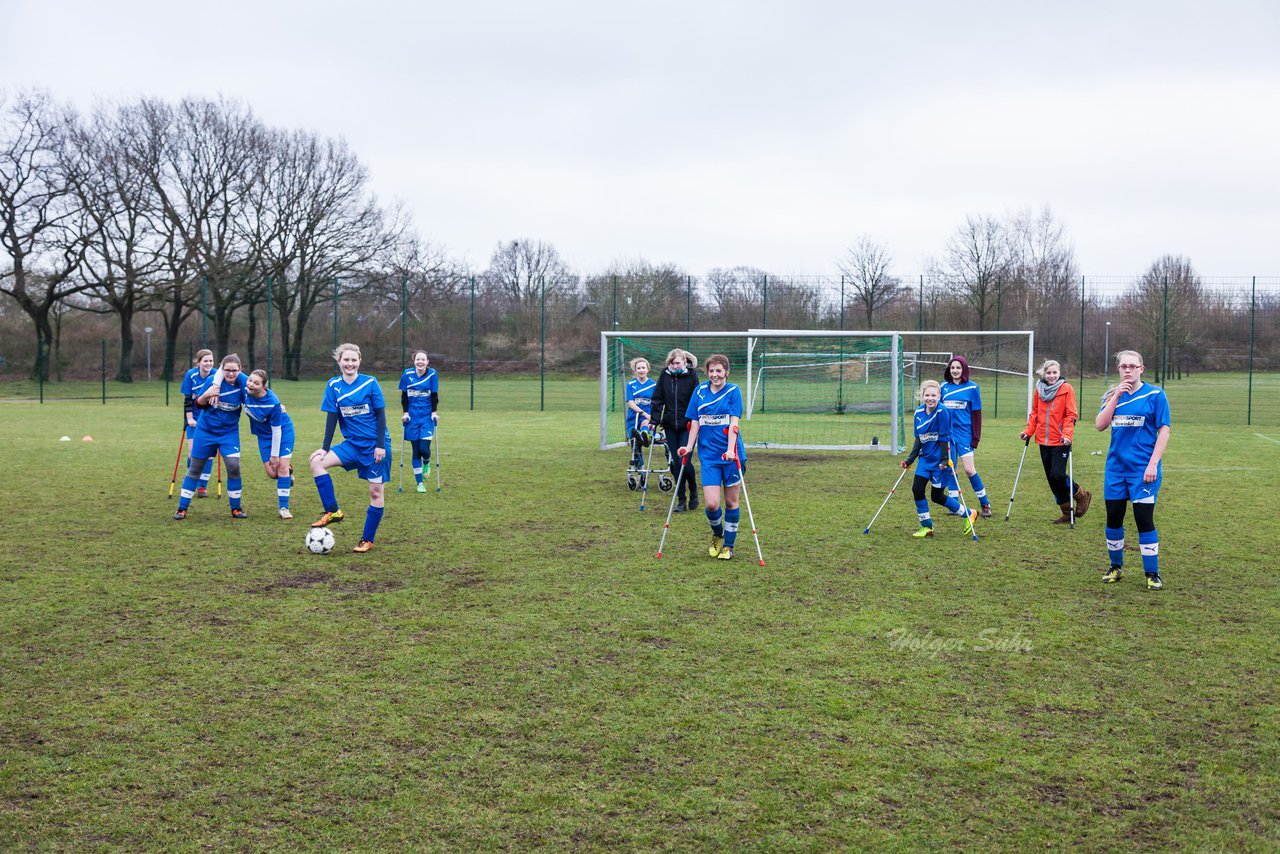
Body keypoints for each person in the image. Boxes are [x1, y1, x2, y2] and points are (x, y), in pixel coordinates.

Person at [1095, 350, 1171, 590]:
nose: (1127, 370)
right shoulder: (1113, 395)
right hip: (1116, 470)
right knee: (1113, 519)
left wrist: (1152, 464)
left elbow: (1164, 430)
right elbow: (1100, 425)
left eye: (1132, 366)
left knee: (1143, 520)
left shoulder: (1156, 395)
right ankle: (1115, 567)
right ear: (1118, 369)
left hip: (1142, 471)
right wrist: (1115, 395)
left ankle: (1152, 573)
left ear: (1141, 368)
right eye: (1123, 366)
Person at [310, 343, 392, 553]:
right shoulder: (333, 385)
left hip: (375, 445)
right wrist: (325, 447)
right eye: (346, 360)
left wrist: (380, 445)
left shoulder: (370, 383)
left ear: (359, 361)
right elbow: (332, 417)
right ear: (339, 362)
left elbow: (381, 415)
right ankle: (333, 511)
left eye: (354, 360)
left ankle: (367, 539)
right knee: (317, 463)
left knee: (375, 492)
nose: (350, 363)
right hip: (352, 445)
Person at [677, 354, 746, 560]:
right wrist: (688, 446)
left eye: (719, 370)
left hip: (732, 456)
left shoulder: (733, 391)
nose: (715, 374)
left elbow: (734, 423)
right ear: (707, 372)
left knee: (731, 501)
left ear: (726, 372)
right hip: (708, 456)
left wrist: (731, 450)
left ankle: (729, 545)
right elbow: (695, 422)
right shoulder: (699, 392)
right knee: (712, 504)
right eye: (712, 371)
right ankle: (717, 535)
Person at [173, 354, 249, 520]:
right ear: (222, 369)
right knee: (195, 467)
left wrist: (277, 407)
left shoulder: (244, 382)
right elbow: (198, 404)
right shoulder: (213, 381)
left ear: (240, 370)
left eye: (234, 371)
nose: (230, 374)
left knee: (233, 467)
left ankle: (236, 508)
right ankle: (181, 508)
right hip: (205, 430)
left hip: (229, 433)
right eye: (227, 370)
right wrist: (207, 394)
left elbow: (260, 392)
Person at [901, 379, 976, 537]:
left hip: (942, 459)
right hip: (925, 459)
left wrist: (944, 461)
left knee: (937, 496)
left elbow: (944, 438)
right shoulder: (918, 413)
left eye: (934, 395)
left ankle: (968, 513)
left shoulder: (942, 412)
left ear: (939, 396)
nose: (930, 398)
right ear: (922, 396)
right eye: (927, 395)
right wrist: (910, 460)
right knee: (917, 489)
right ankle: (927, 527)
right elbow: (918, 439)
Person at [1020, 359, 1092, 523]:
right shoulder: (1039, 390)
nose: (1052, 376)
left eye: (1055, 372)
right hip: (1043, 441)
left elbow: (1071, 414)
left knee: (1058, 475)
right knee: (1052, 480)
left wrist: (1067, 434)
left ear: (1059, 373)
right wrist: (1027, 431)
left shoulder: (1066, 389)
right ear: (1043, 374)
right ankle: (1067, 512)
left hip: (1061, 440)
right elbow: (1035, 414)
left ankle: (1081, 495)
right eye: (1049, 373)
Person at [646, 349, 700, 512]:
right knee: (675, 464)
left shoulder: (691, 375)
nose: (674, 366)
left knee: (684, 461)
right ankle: (681, 499)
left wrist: (697, 420)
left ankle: (693, 490)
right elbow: (657, 398)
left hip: (687, 426)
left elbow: (697, 399)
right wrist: (654, 421)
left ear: (684, 362)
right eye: (672, 363)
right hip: (670, 425)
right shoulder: (664, 375)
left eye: (677, 363)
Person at [940, 355, 993, 517]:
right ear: (949, 369)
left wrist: (975, 437)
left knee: (969, 470)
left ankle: (985, 504)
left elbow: (977, 415)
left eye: (958, 368)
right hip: (948, 436)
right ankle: (954, 505)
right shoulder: (943, 387)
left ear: (964, 370)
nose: (955, 370)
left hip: (965, 435)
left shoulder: (972, 388)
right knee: (951, 469)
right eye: (952, 368)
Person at [244, 369, 296, 520]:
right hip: (264, 437)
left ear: (264, 386)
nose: (251, 384)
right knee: (272, 474)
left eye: (256, 383)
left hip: (283, 432)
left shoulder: (272, 403)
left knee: (281, 467)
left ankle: (284, 508)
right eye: (250, 380)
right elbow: (227, 370)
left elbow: (277, 432)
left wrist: (275, 456)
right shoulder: (245, 389)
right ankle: (288, 473)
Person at [398, 350, 439, 494]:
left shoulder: (432, 374)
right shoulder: (407, 374)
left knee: (424, 449)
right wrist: (405, 413)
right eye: (418, 359)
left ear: (427, 362)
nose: (420, 362)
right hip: (412, 418)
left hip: (426, 417)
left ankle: (427, 462)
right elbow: (404, 396)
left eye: (423, 359)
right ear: (414, 361)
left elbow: (434, 395)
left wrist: (434, 413)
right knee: (416, 451)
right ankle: (419, 483)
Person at [179, 349, 217, 497]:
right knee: (193, 454)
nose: (208, 363)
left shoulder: (216, 375)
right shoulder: (191, 375)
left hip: (209, 420)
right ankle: (192, 480)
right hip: (193, 420)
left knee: (208, 455)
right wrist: (189, 419)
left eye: (211, 361)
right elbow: (188, 399)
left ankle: (202, 487)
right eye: (205, 360)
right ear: (199, 362)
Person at [624, 357, 656, 473]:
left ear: (647, 369)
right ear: (635, 370)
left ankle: (645, 436)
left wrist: (649, 415)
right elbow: (631, 403)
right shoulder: (630, 384)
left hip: (647, 416)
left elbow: (656, 403)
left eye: (643, 367)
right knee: (635, 445)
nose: (641, 370)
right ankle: (640, 467)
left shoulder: (653, 385)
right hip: (634, 416)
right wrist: (642, 413)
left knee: (645, 423)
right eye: (639, 368)